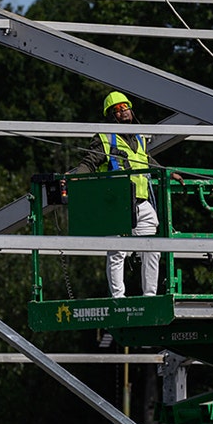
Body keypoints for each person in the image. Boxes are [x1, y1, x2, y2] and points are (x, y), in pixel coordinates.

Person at [75, 91, 181, 298]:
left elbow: (147, 161)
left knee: (153, 248)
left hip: (142, 203)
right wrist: (76, 180)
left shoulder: (139, 139)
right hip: (117, 202)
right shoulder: (104, 139)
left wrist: (169, 173)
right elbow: (89, 163)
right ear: (110, 115)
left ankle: (150, 295)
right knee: (117, 252)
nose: (123, 112)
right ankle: (118, 297)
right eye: (117, 109)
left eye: (125, 107)